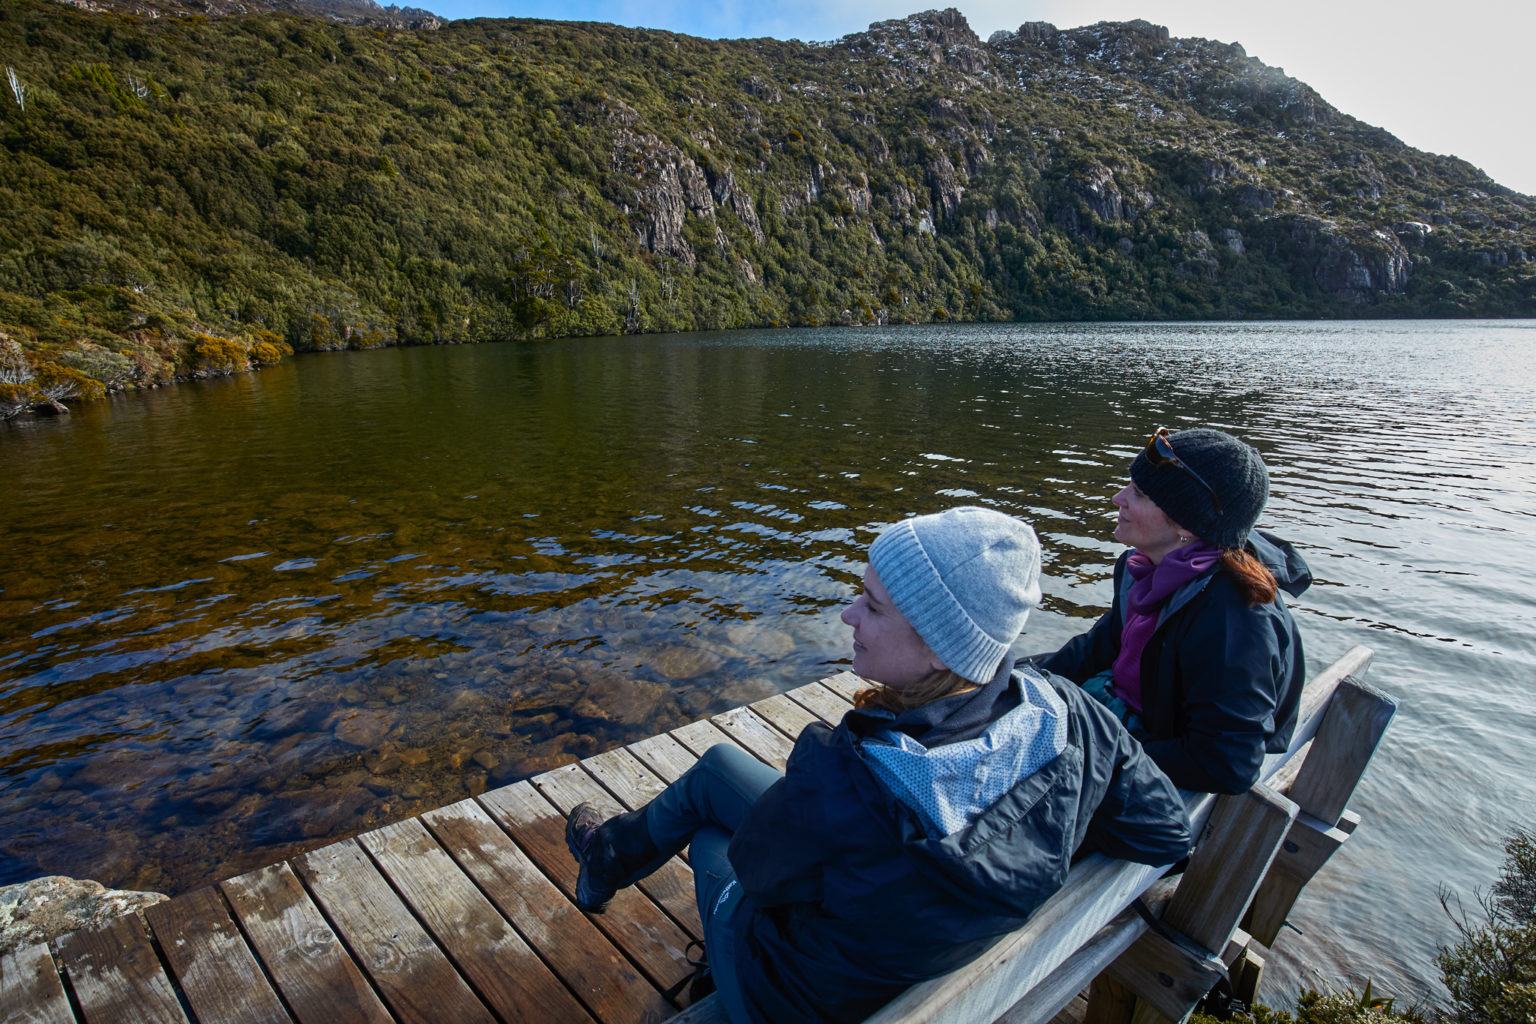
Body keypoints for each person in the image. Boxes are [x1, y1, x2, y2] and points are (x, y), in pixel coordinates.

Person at [566, 506, 1191, 1024]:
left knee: (709, 828)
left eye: (871, 604)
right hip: (925, 973)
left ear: (939, 645)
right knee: (720, 779)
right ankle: (607, 858)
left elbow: (759, 875)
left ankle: (606, 867)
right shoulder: (1072, 717)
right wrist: (1027, 827)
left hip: (793, 1001)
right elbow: (1165, 831)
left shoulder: (850, 777)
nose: (847, 616)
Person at [1036, 427, 1312, 795]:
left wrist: (1105, 749)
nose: (1118, 497)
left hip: (1151, 765)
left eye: (1140, 493)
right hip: (1132, 721)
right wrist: (1011, 682)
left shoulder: (1234, 617)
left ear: (1186, 524)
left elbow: (1228, 763)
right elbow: (1099, 648)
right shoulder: (1143, 568)